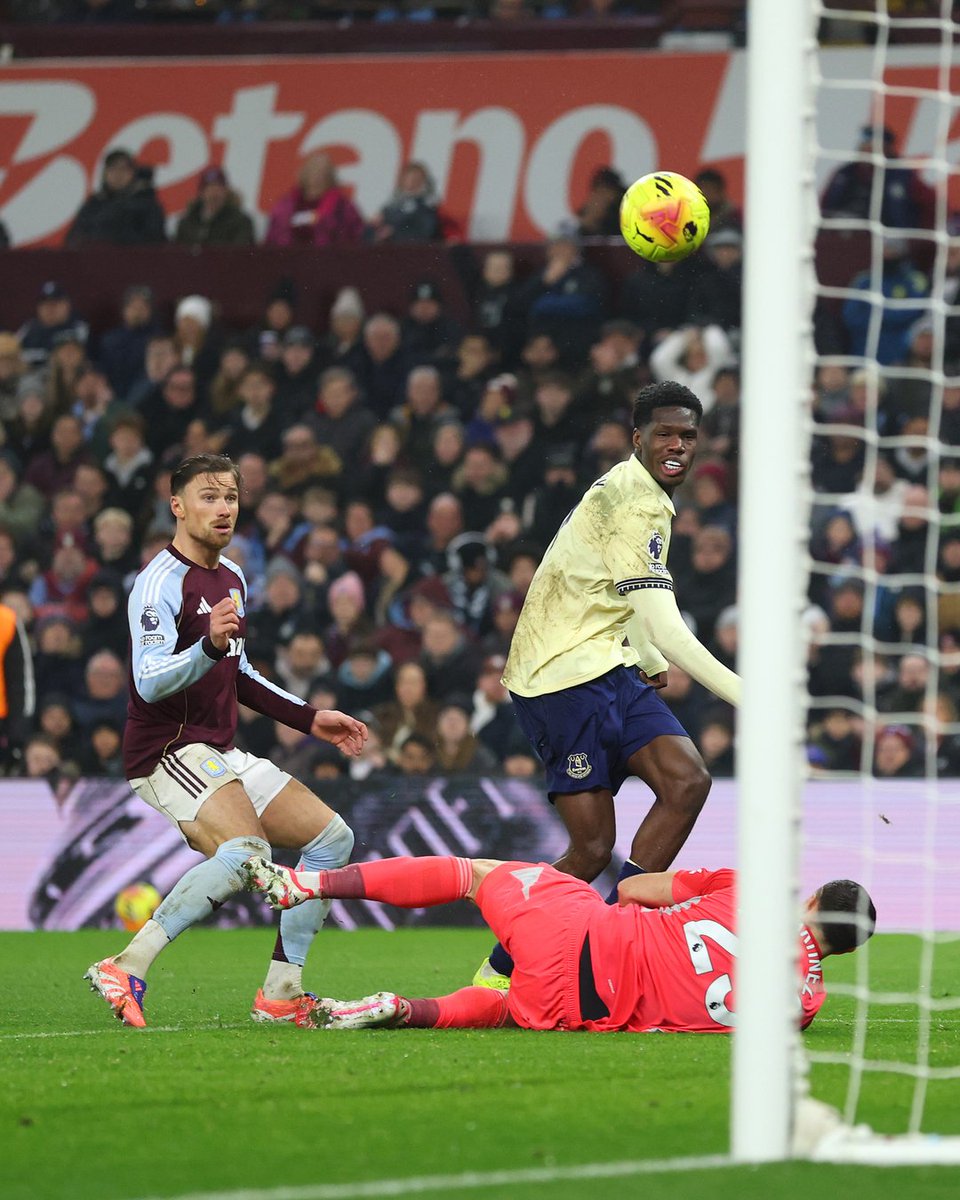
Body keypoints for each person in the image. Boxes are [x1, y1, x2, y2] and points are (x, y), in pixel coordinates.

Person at [84, 452, 368, 1029]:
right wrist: (207, 646)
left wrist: (309, 718)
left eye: (231, 497)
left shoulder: (233, 578)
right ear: (177, 506)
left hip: (218, 749)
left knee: (332, 840)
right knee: (246, 853)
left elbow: (237, 672)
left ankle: (282, 994)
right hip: (166, 749)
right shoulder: (157, 583)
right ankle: (125, 965)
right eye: (208, 497)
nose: (222, 508)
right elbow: (148, 678)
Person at [477, 380, 742, 989]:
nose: (677, 445)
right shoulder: (633, 503)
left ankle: (614, 931)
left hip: (610, 665)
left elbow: (625, 593)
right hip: (558, 677)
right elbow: (664, 622)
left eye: (688, 435)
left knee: (687, 781)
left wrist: (643, 653)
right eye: (664, 434)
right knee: (591, 849)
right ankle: (497, 972)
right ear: (637, 439)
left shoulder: (641, 493)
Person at [242, 853, 876, 1034]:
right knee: (508, 1009)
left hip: (584, 931)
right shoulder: (805, 1005)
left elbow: (637, 890)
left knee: (474, 875)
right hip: (586, 1012)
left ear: (812, 899)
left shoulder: (752, 886)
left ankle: (307, 883)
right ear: (842, 952)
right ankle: (405, 1009)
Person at [65, 147, 167, 247]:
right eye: (112, 168)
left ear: (133, 173)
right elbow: (74, 238)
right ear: (105, 173)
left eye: (123, 169)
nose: (117, 174)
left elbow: (152, 242)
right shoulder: (94, 203)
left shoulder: (147, 205)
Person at [265, 152, 364, 247]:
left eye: (322, 172)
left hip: (329, 261)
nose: (316, 176)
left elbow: (357, 239)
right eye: (313, 170)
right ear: (304, 172)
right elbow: (271, 240)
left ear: (330, 176)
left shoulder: (344, 207)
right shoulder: (284, 206)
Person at [174, 165, 256, 248]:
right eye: (210, 188)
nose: (214, 194)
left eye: (219, 188)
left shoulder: (241, 222)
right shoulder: (187, 222)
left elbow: (241, 252)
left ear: (226, 191)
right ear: (201, 193)